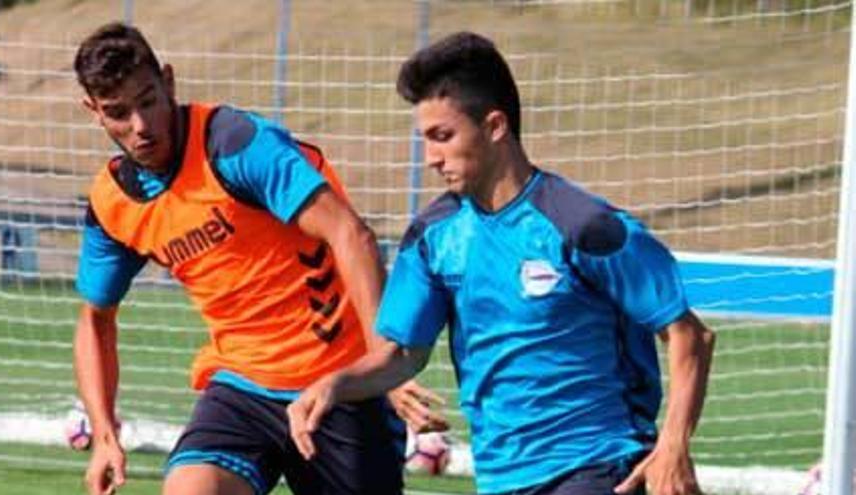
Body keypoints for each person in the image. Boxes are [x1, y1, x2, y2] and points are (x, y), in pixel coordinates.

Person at [287, 31, 716, 495]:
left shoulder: (582, 225)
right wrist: (334, 384)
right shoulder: (432, 238)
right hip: (501, 477)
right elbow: (399, 356)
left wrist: (673, 445)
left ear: (494, 126)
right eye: (425, 139)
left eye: (443, 136)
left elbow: (688, 333)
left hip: (599, 465)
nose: (431, 158)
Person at [72, 22, 446, 495]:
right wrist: (104, 433)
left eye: (147, 101)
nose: (141, 126)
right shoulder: (114, 203)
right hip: (242, 386)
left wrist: (383, 366)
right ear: (94, 112)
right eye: (118, 112)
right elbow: (94, 319)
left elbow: (350, 234)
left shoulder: (234, 145)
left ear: (168, 82)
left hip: (338, 381)